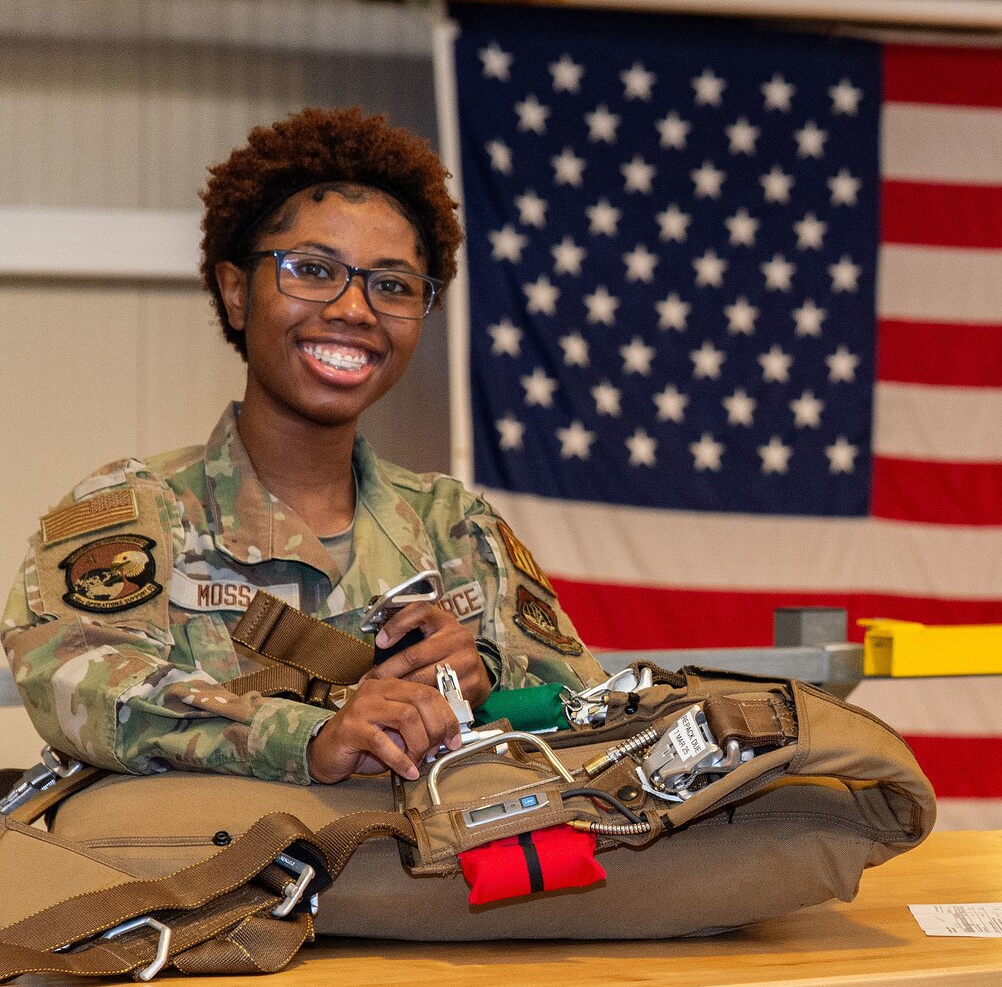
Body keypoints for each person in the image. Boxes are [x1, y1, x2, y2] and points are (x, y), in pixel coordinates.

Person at [3, 107, 603, 787]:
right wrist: (306, 736)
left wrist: (487, 674)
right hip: (213, 885)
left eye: (393, 285)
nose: (354, 309)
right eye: (313, 271)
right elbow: (77, 683)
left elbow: (592, 709)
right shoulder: (136, 510)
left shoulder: (455, 526)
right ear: (236, 293)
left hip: (421, 886)